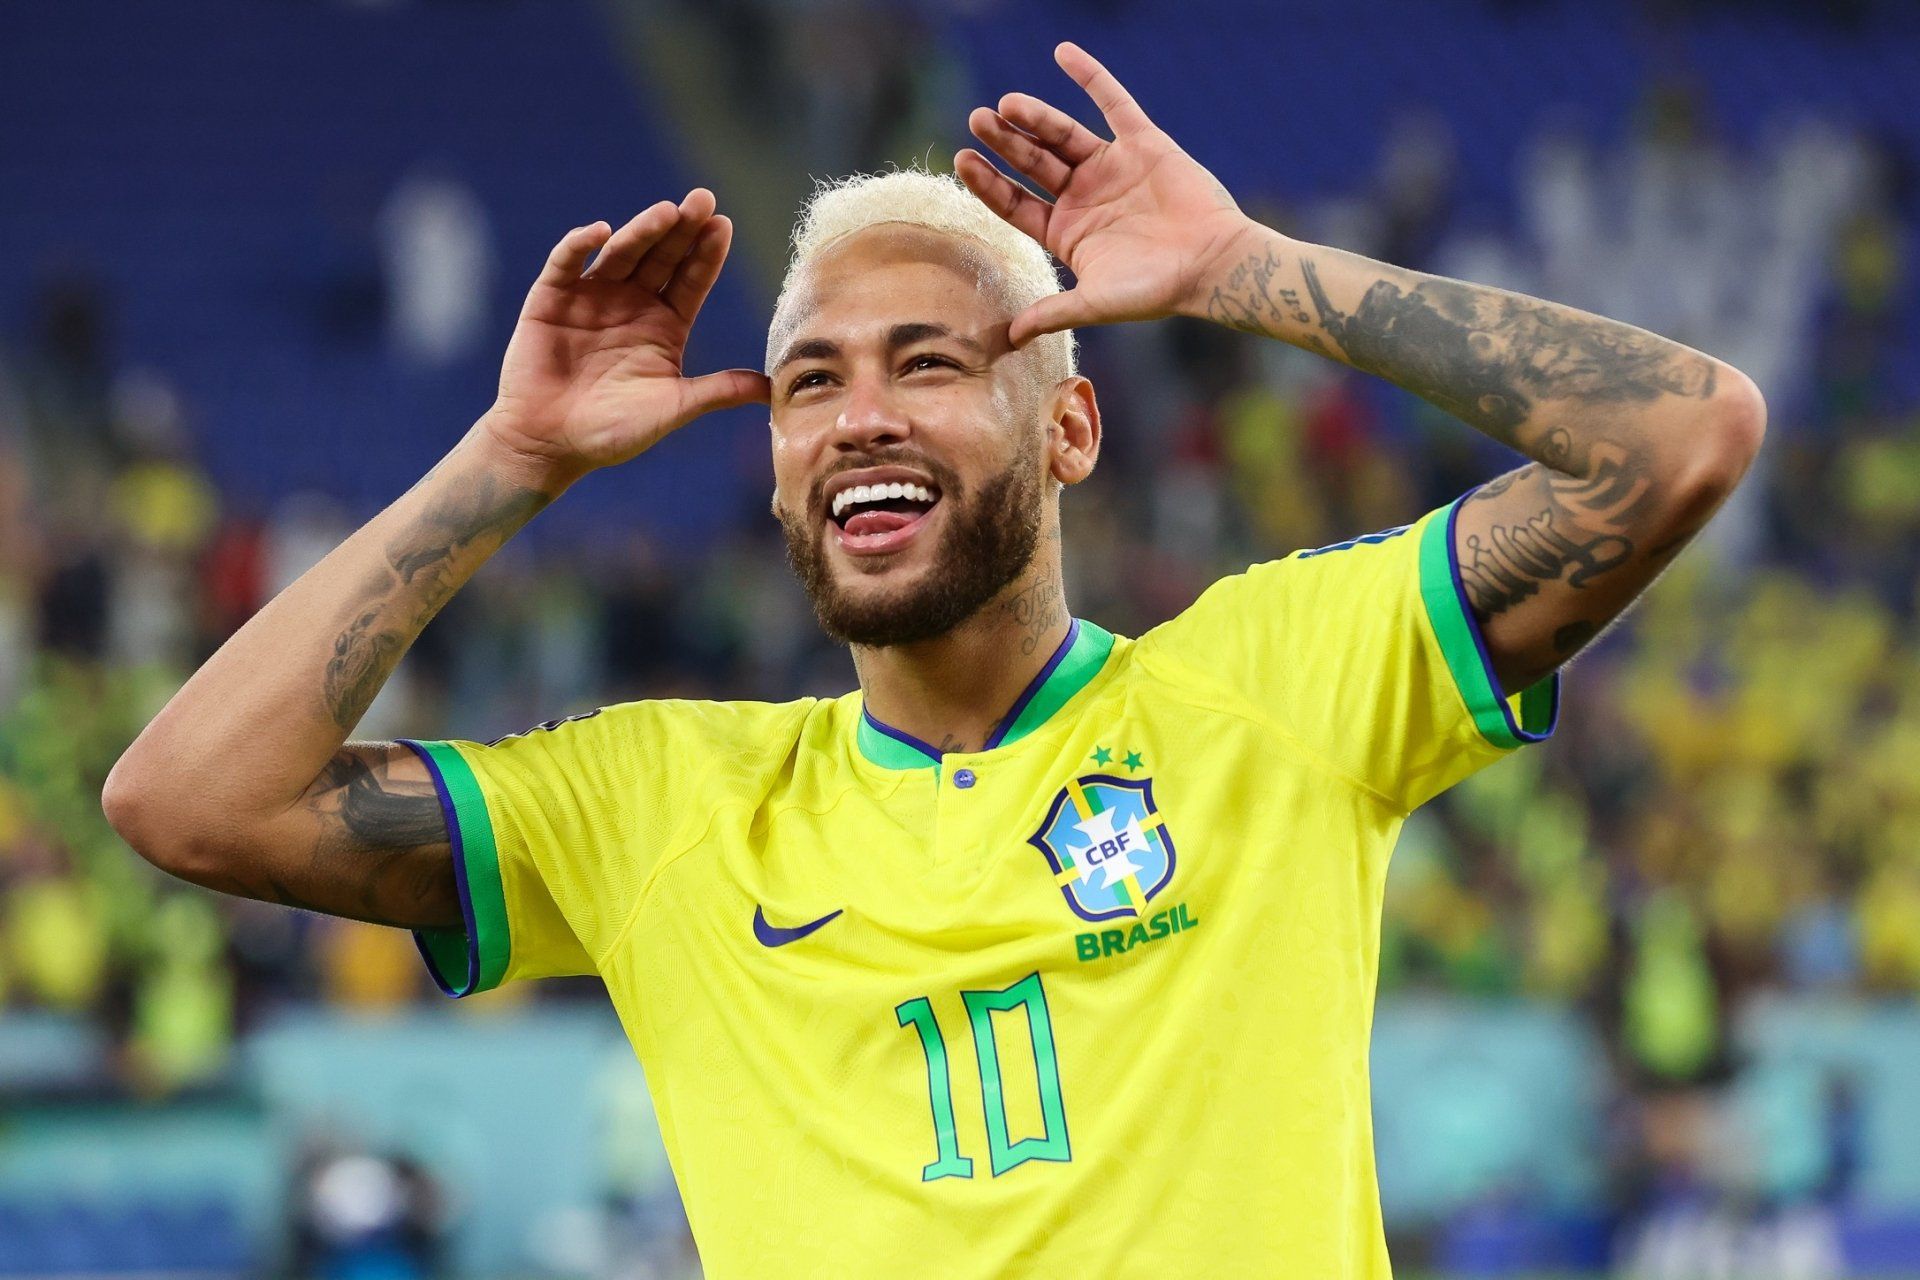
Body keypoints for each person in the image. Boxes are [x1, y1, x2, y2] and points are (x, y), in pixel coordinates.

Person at [103, 43, 1764, 1279]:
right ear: (772, 465)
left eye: (933, 360)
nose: (863, 415)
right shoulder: (661, 812)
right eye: (811, 383)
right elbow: (186, 800)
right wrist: (509, 463)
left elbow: (1680, 437)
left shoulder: (1277, 690)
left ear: (1072, 426)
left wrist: (1245, 273)